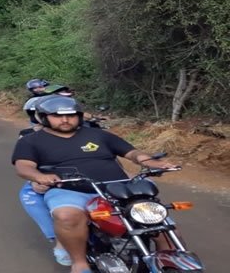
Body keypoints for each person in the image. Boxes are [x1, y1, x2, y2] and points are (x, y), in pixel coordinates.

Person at [11, 96, 178, 273]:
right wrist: (39, 176)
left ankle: (169, 257)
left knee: (156, 217)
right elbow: (24, 166)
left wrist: (150, 162)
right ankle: (79, 262)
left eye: (71, 115)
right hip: (70, 189)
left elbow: (132, 153)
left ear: (80, 116)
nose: (65, 120)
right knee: (67, 216)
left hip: (118, 189)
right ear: (44, 117)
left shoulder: (99, 135)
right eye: (57, 116)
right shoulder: (31, 141)